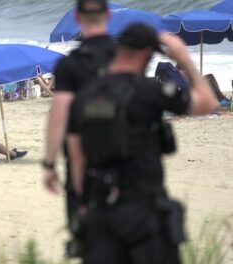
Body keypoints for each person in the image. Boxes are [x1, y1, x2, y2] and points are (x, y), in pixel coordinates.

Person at [67, 23, 217, 263]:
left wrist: (84, 204)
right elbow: (208, 104)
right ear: (147, 54)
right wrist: (185, 60)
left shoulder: (84, 95)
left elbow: (76, 158)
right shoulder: (150, 91)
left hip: (100, 210)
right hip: (144, 210)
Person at [42, 0, 115, 227]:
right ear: (108, 15)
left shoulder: (71, 64)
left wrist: (49, 164)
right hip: (128, 161)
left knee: (89, 238)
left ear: (76, 18)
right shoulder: (126, 57)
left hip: (85, 162)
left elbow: (59, 114)